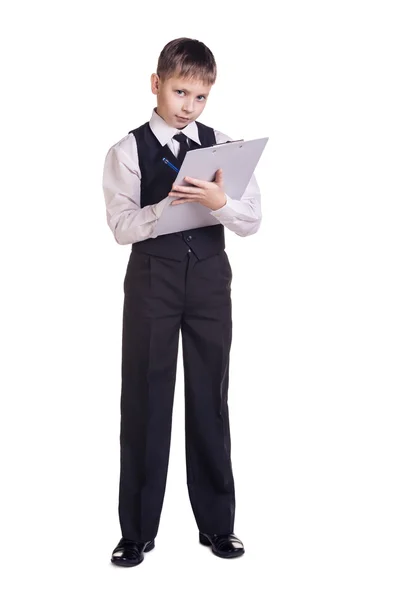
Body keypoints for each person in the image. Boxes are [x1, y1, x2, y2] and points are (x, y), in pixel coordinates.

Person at [102, 37, 262, 567]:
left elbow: (252, 220)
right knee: (146, 399)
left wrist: (220, 202)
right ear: (156, 84)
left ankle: (218, 525)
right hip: (153, 280)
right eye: (179, 91)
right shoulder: (126, 151)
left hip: (211, 281)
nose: (188, 105)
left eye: (199, 96)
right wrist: (163, 210)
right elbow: (122, 228)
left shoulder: (227, 146)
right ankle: (137, 531)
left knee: (210, 398)